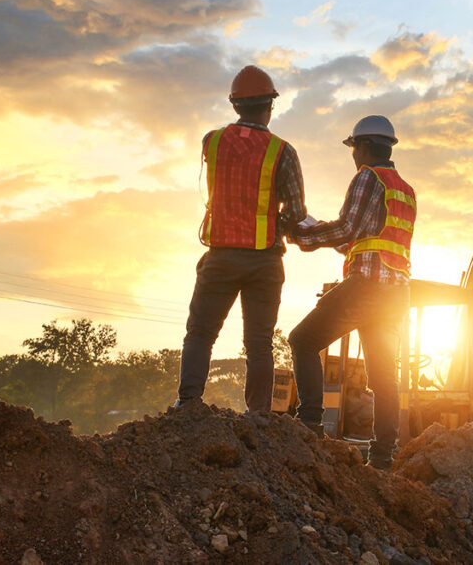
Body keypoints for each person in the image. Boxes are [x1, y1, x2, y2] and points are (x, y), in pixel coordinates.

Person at [175, 65, 307, 413]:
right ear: (270, 106)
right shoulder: (283, 152)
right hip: (264, 259)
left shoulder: (212, 141)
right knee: (260, 344)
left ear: (235, 105)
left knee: (201, 333)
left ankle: (188, 404)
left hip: (220, 256)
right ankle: (259, 417)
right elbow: (295, 213)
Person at [287, 115, 415, 470]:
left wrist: (302, 235)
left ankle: (309, 422)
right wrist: (322, 233)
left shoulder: (367, 177)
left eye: (354, 147)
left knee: (302, 340)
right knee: (383, 375)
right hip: (395, 294)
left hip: (366, 288)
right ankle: (383, 456)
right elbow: (364, 241)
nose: (353, 156)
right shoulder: (404, 189)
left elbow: (346, 229)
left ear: (364, 146)